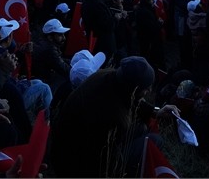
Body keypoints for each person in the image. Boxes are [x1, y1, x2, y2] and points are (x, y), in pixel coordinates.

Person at [50, 56, 180, 177]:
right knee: (153, 140)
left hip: (65, 150)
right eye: (146, 88)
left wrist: (155, 111)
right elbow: (109, 162)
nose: (149, 91)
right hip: (75, 168)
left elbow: (132, 99)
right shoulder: (115, 116)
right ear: (133, 88)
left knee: (142, 128)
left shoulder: (108, 76)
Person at [31, 19, 72, 96]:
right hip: (45, 81)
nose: (64, 38)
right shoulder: (49, 50)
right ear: (50, 37)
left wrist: (72, 62)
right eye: (60, 35)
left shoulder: (44, 43)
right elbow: (64, 69)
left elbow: (60, 59)